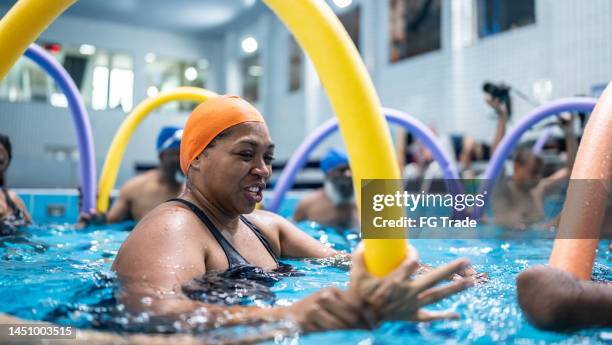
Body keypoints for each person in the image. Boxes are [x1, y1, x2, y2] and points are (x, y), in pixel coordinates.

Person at [112, 95, 474, 334]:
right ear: (197, 159)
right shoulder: (174, 228)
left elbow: (341, 260)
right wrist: (288, 315)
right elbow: (149, 311)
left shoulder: (267, 228)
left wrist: (431, 273)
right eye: (245, 154)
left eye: (267, 158)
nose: (263, 170)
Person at [487, 96, 578, 230]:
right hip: (510, 247)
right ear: (517, 167)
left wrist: (569, 132)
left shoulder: (539, 190)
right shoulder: (503, 189)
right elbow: (497, 156)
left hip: (538, 246)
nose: (537, 177)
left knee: (567, 214)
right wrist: (502, 116)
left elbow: (572, 170)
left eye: (539, 173)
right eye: (533, 172)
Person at [102, 126, 184, 224]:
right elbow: (108, 224)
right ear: (162, 156)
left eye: (185, 154)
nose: (182, 160)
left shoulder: (195, 192)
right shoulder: (136, 188)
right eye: (177, 154)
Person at [293, 148, 358, 229]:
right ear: (328, 174)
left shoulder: (368, 201)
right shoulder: (309, 205)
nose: (348, 174)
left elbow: (376, 234)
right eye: (341, 170)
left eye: (350, 169)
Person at [0, 133, 32, 231]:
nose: (0, 157)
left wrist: (79, 225)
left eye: (2, 153)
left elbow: (34, 229)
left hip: (22, 244)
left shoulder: (13, 198)